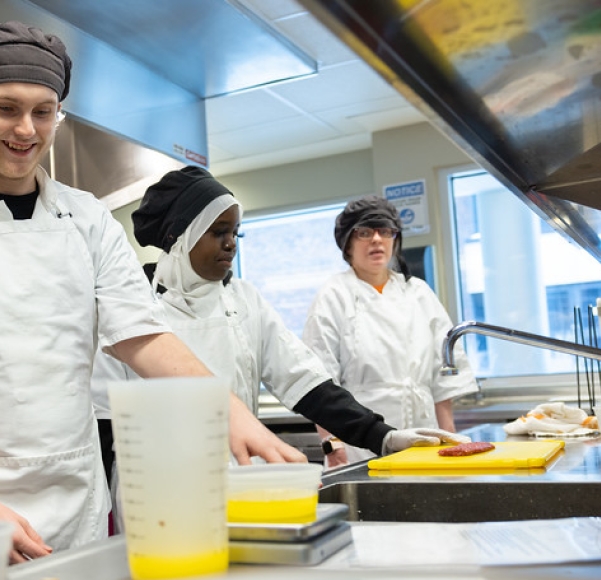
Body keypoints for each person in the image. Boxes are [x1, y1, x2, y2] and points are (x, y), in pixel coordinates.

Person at [0, 21, 330, 562]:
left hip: (70, 512)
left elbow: (142, 334)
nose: (27, 130)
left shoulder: (88, 218)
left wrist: (227, 411)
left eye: (43, 111)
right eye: (5, 109)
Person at [93, 167, 467, 484]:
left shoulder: (243, 299)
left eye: (235, 233)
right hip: (158, 492)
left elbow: (308, 384)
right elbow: (104, 425)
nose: (230, 244)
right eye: (218, 232)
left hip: (241, 480)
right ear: (179, 235)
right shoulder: (133, 306)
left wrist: (382, 436)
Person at [302, 194, 478, 467]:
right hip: (359, 441)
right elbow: (320, 381)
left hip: (425, 435)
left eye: (385, 231)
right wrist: (332, 444)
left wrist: (450, 436)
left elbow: (443, 373)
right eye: (364, 232)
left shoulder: (418, 292)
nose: (376, 239)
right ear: (347, 244)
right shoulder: (333, 296)